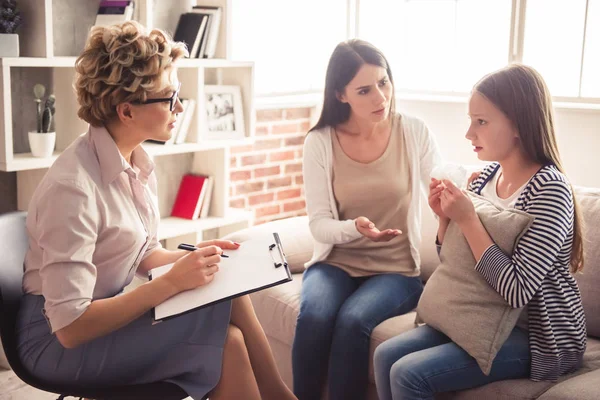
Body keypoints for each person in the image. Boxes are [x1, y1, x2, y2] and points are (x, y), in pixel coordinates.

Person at [16, 21, 296, 400]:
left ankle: (280, 394)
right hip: (55, 341)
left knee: (224, 283)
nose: (179, 107)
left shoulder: (137, 164)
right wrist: (170, 282)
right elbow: (70, 327)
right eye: (169, 98)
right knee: (225, 342)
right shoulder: (73, 189)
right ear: (127, 111)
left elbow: (140, 251)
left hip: (97, 317)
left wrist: (194, 259)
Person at [373, 64, 587, 400]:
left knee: (408, 374)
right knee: (385, 354)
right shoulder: (486, 177)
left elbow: (517, 290)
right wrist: (444, 221)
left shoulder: (550, 190)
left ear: (518, 124)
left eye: (481, 122)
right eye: (471, 120)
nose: (469, 134)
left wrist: (469, 220)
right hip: (481, 315)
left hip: (539, 336)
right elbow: (459, 265)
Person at [294, 39, 442, 400]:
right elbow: (318, 223)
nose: (380, 97)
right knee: (313, 319)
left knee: (352, 321)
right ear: (340, 95)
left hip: (395, 270)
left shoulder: (413, 131)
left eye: (384, 82)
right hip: (335, 263)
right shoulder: (320, 142)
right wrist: (354, 228)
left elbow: (440, 188)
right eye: (365, 89)